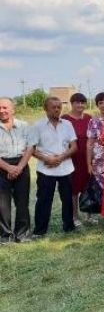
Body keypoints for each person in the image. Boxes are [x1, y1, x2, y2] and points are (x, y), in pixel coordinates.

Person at [31, 97, 77, 237]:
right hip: (46, 170)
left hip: (66, 168)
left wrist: (59, 158)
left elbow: (74, 147)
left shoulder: (67, 124)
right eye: (53, 107)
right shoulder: (37, 126)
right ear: (45, 108)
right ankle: (40, 230)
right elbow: (31, 149)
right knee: (44, 199)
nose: (57, 109)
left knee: (67, 199)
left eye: (59, 107)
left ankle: (69, 226)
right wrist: (47, 159)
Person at [0, 97, 33, 243]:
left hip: (21, 164)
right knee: (2, 203)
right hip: (2, 166)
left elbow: (30, 147)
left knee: (22, 202)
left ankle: (22, 234)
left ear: (13, 109)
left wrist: (19, 167)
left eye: (5, 107)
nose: (2, 111)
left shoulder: (24, 126)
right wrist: (8, 167)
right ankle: (5, 235)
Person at [61, 93, 92, 226]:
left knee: (87, 186)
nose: (80, 105)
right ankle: (75, 216)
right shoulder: (65, 119)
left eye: (82, 102)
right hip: (71, 159)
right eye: (77, 102)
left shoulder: (89, 118)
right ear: (72, 103)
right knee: (73, 188)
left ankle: (89, 214)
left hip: (87, 158)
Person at [86, 92, 104, 191]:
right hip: (99, 162)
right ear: (97, 105)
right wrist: (89, 164)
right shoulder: (93, 121)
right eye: (100, 103)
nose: (103, 105)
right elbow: (89, 144)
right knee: (100, 191)